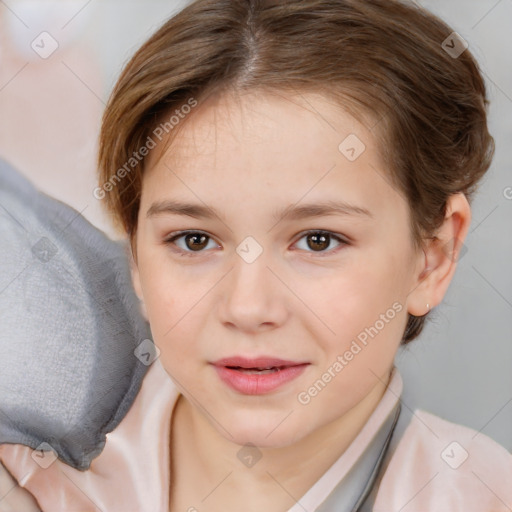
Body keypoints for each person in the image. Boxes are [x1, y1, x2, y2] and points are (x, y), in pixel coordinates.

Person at [1, 0, 511, 510]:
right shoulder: (30, 474)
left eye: (318, 240)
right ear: (135, 252)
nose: (247, 307)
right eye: (194, 240)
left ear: (433, 256)